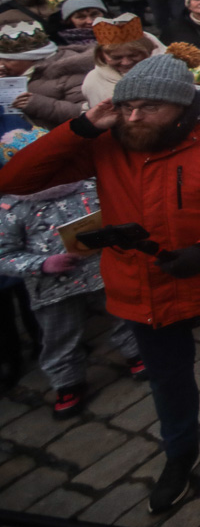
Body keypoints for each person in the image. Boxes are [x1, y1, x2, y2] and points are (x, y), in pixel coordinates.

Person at [0, 54, 200, 512]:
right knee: (167, 375)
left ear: (180, 106)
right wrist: (81, 128)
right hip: (141, 285)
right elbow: (16, 179)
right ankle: (180, 449)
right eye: (127, 106)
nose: (134, 118)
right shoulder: (107, 140)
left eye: (149, 108)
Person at [0, 171, 143, 418]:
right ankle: (68, 382)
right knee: (59, 333)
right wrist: (42, 264)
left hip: (103, 270)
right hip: (54, 286)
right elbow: (4, 255)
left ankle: (137, 352)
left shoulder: (88, 185)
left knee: (124, 313)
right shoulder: (11, 207)